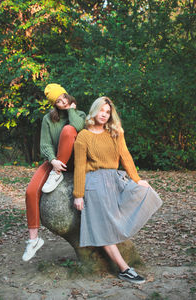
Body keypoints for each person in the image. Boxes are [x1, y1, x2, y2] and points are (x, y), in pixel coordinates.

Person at [73, 96, 162, 284]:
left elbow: (126, 156)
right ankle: (125, 269)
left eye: (108, 112)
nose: (104, 115)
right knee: (103, 226)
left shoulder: (115, 133)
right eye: (101, 110)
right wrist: (78, 195)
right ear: (94, 111)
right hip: (94, 183)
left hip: (114, 180)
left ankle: (124, 264)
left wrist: (137, 179)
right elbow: (80, 166)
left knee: (145, 193)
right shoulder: (83, 136)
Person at [22, 83, 86, 262]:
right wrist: (53, 161)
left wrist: (72, 111)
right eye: (58, 101)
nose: (63, 102)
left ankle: (57, 174)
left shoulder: (79, 114)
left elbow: (80, 128)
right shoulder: (48, 119)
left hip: (75, 160)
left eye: (64, 97)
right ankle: (34, 240)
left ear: (67, 95)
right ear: (54, 104)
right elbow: (45, 144)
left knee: (68, 129)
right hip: (55, 161)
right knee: (31, 191)